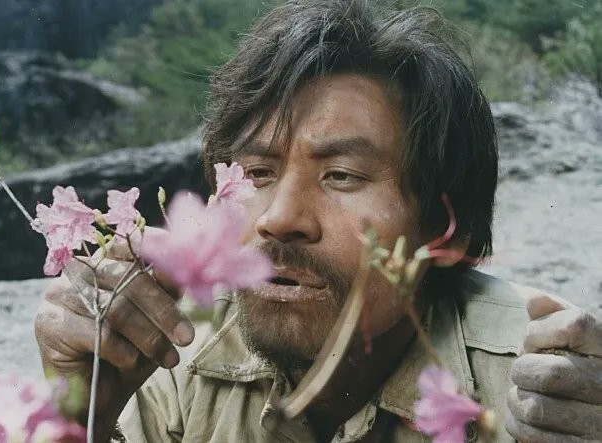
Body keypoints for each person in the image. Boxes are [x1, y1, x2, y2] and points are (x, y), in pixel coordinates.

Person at [34, 1, 602, 442]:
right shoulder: (169, 349)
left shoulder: (542, 383)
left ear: (444, 224)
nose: (278, 218)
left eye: (342, 176)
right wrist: (79, 414)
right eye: (257, 173)